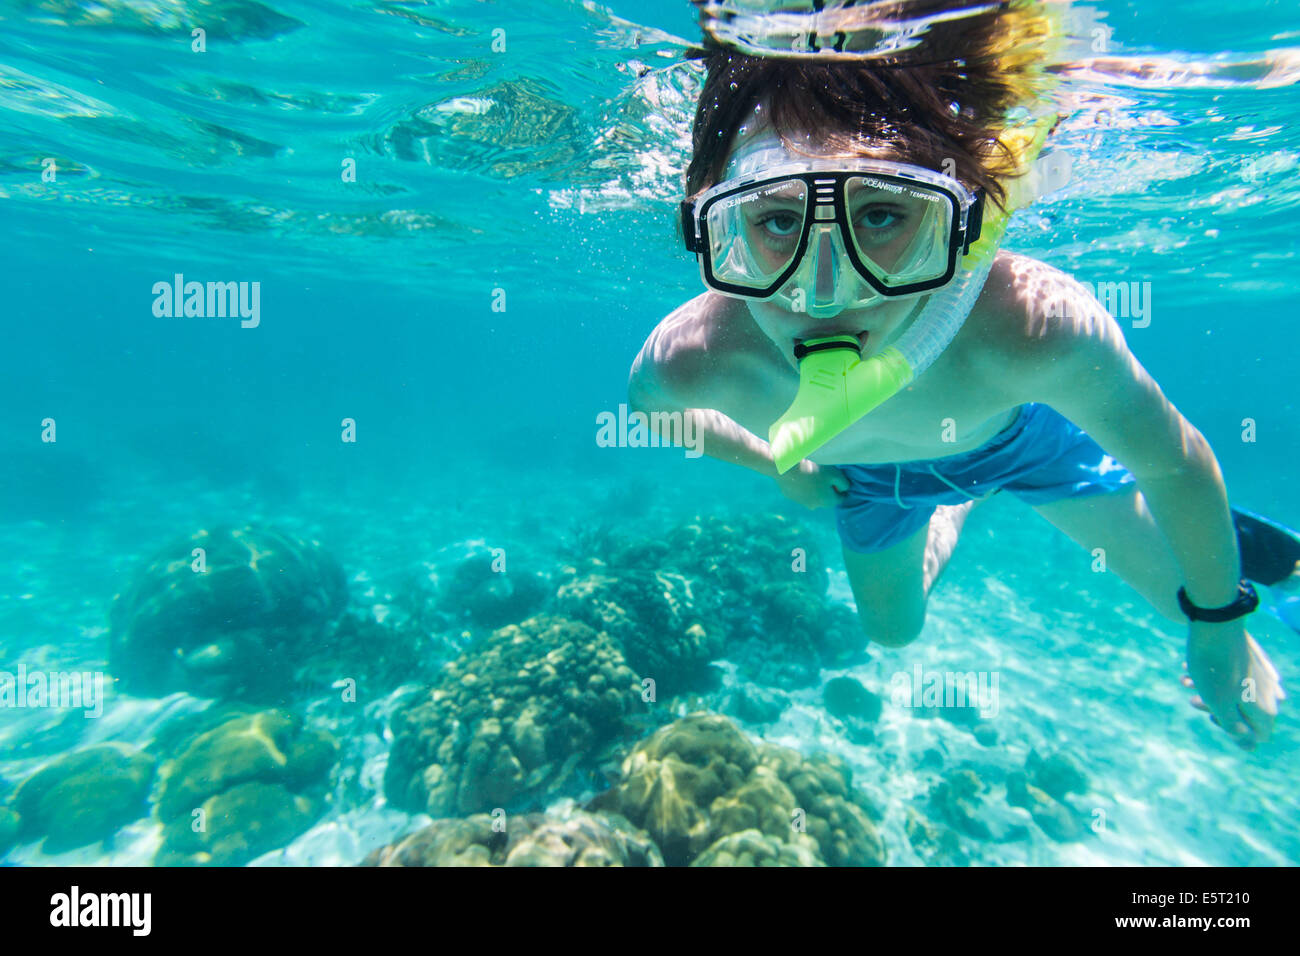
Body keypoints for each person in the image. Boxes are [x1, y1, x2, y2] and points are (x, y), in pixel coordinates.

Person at [628, 12, 1283, 748]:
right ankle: (958, 507)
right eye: (775, 222)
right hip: (869, 481)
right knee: (892, 635)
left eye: (879, 214)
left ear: (964, 221)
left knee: (1186, 606)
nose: (823, 293)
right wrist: (777, 462)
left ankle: (1194, 551)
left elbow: (1175, 462)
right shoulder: (701, 354)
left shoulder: (1032, 330)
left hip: (1024, 441)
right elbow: (653, 412)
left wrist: (1224, 626)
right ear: (711, 228)